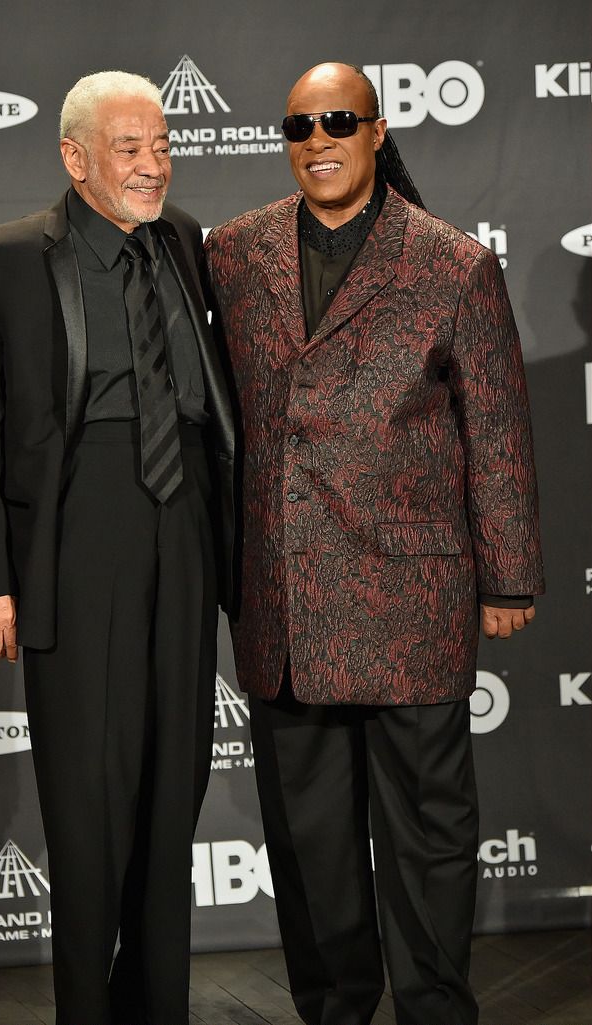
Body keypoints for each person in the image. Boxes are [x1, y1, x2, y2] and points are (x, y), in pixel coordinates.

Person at [205, 62, 543, 1025]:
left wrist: (509, 572)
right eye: (299, 124)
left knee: (429, 833)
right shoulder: (232, 253)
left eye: (338, 120)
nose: (318, 139)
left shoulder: (451, 262)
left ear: (376, 128)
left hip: (412, 599)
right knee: (308, 840)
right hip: (284, 597)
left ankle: (435, 1006)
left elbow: (498, 431)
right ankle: (335, 1008)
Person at [0, 71, 235, 1025]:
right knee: (86, 802)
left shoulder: (187, 241)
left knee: (172, 786)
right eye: (128, 149)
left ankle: (157, 1007)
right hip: (77, 536)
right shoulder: (1, 261)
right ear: (74, 157)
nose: (153, 166)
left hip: (184, 525)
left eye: (161, 145)